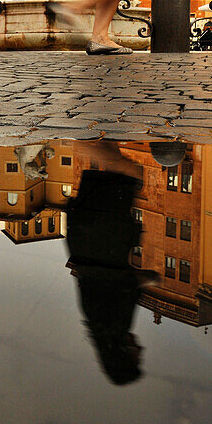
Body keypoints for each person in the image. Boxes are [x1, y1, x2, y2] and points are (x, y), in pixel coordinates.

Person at [64, 141, 150, 385]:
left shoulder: (113, 326)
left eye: (136, 358)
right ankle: (100, 129)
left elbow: (119, 282)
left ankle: (76, 138)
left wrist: (146, 279)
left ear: (123, 357)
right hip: (91, 234)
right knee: (117, 171)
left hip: (102, 232)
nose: (141, 352)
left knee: (130, 173)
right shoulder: (105, 329)